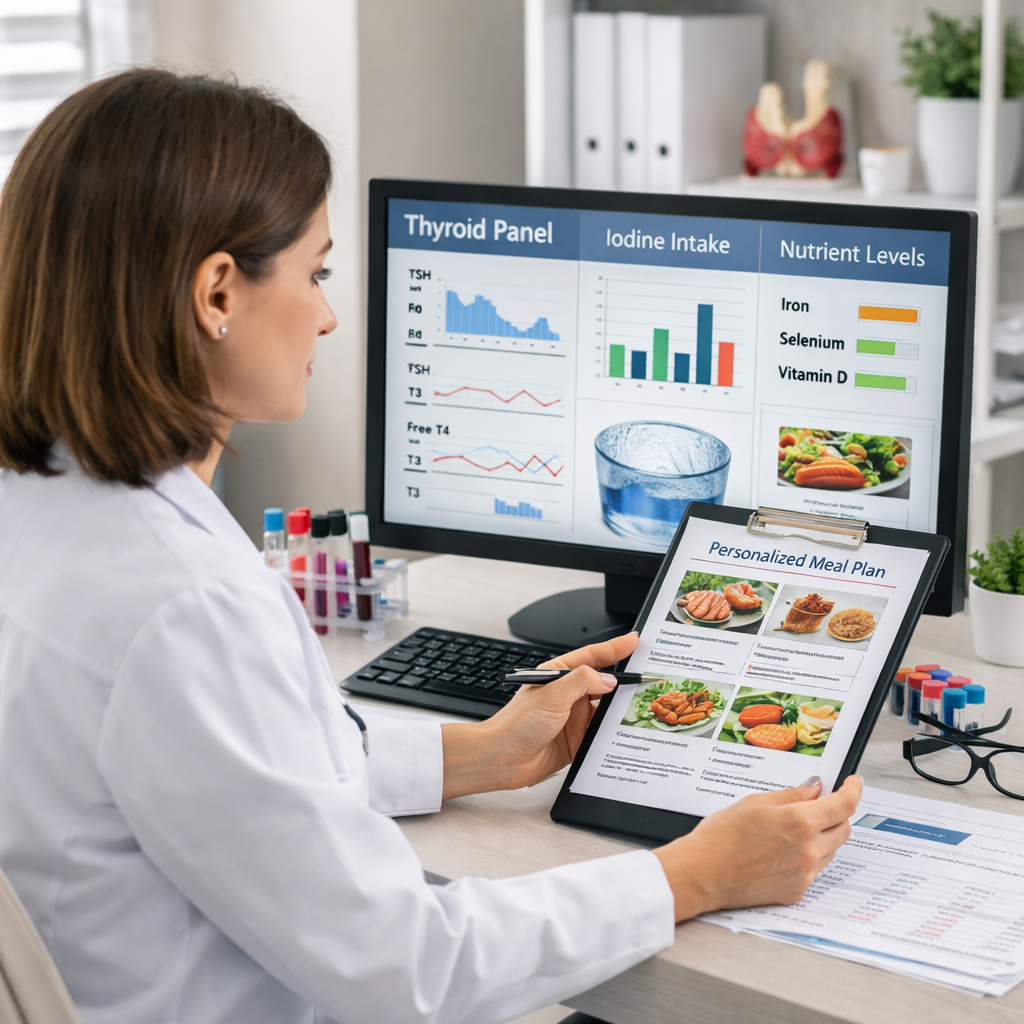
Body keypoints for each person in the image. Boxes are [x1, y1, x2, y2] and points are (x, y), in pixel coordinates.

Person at [0, 69, 862, 1024]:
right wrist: (691, 876)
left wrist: (480, 756)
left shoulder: (40, 508)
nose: (328, 315)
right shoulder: (183, 604)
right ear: (216, 292)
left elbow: (232, 786)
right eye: (315, 273)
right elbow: (405, 966)